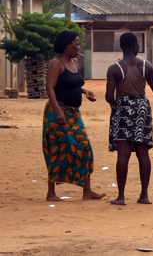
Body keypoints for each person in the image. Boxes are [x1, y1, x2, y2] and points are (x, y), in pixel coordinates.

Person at [106, 33, 153, 205]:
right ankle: (144, 195)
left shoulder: (115, 68)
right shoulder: (147, 66)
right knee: (143, 152)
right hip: (142, 108)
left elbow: (109, 96)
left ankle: (121, 196)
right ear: (135, 46)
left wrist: (115, 104)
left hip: (123, 109)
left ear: (121, 47)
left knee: (123, 154)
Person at [43, 30, 106, 201]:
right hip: (57, 112)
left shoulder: (75, 62)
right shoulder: (56, 63)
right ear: (66, 46)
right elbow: (50, 88)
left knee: (84, 146)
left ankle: (87, 191)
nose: (79, 47)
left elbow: (71, 85)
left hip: (73, 113)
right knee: (56, 149)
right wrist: (58, 111)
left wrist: (85, 91)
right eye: (76, 44)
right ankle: (51, 193)